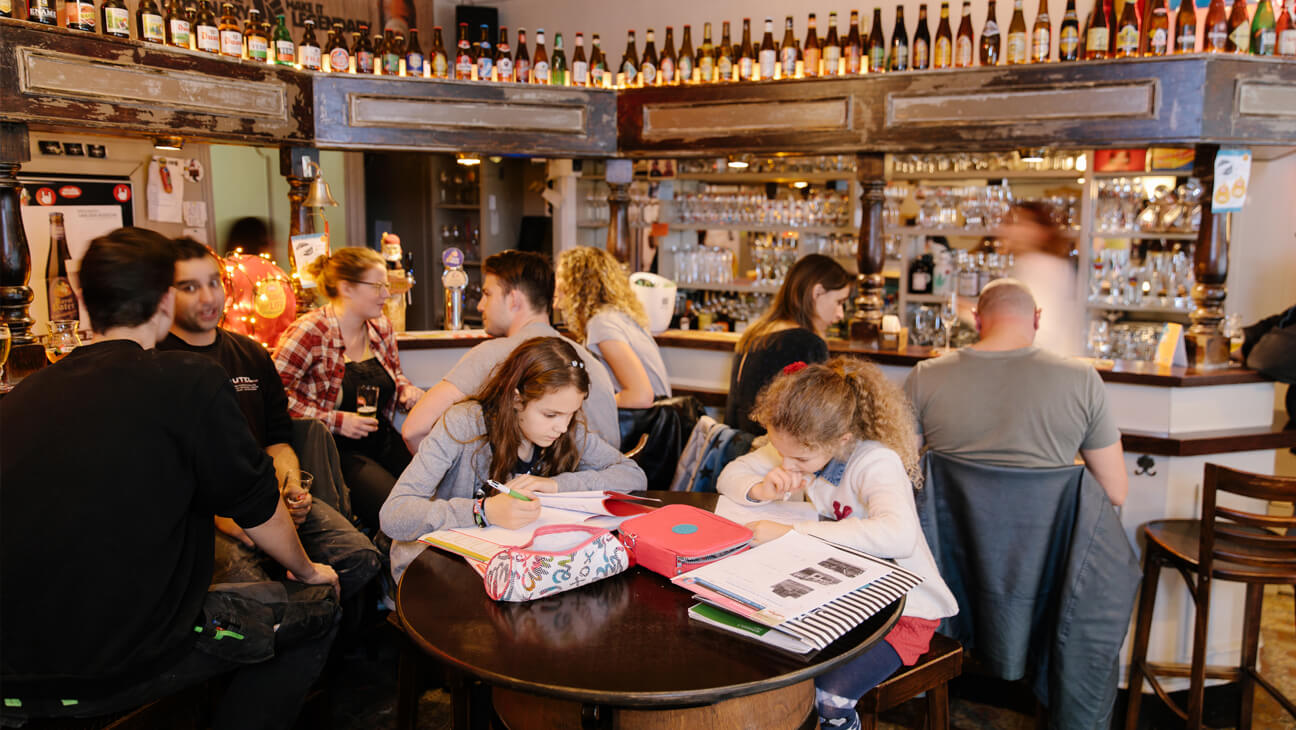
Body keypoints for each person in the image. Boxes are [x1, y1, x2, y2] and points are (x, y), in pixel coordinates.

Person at [1, 228, 339, 730]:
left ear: (86, 303)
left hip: (12, 674)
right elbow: (258, 507)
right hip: (121, 665)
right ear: (163, 301)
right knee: (318, 608)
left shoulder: (23, 395)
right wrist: (310, 571)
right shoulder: (188, 379)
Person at [716, 357, 958, 730]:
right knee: (773, 663)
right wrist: (760, 488)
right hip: (845, 598)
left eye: (800, 458)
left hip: (904, 611)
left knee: (827, 697)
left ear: (841, 440)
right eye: (781, 452)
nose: (788, 462)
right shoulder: (798, 444)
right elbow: (730, 475)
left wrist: (791, 533)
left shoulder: (875, 461)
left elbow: (898, 535)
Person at [157, 237, 381, 603]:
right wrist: (221, 516)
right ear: (164, 294)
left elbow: (276, 440)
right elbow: (169, 469)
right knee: (253, 595)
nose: (208, 297)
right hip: (203, 515)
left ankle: (315, 639)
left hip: (267, 500)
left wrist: (292, 487)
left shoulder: (250, 355)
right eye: (190, 287)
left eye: (214, 283)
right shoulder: (156, 362)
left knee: (360, 558)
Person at [381, 337, 647, 583]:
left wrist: (557, 485)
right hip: (441, 572)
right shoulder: (463, 424)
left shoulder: (566, 429)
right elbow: (394, 514)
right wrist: (483, 512)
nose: (562, 428)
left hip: (509, 568)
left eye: (571, 414)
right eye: (550, 415)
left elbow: (633, 475)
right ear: (517, 399)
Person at [903, 278, 1128, 506]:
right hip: (1047, 538)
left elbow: (899, 470)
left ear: (977, 320)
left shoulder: (925, 376)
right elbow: (1114, 492)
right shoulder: (1083, 379)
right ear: (1037, 318)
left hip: (945, 539)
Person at [401, 250, 620, 451]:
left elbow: (414, 430)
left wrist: (453, 485)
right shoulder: (588, 360)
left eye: (487, 294)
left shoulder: (496, 354)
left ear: (514, 299)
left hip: (535, 490)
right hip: (598, 487)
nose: (480, 306)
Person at [273, 247, 425, 533]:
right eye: (377, 286)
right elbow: (275, 398)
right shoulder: (310, 331)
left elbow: (395, 375)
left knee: (428, 497)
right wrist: (337, 421)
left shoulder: (381, 328)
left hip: (381, 440)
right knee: (396, 511)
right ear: (347, 288)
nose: (386, 294)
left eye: (386, 286)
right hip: (336, 452)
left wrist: (407, 390)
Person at [725, 253, 852, 435]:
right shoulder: (808, 343)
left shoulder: (754, 334)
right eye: (839, 302)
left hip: (738, 450)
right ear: (816, 293)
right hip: (775, 455)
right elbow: (817, 426)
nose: (841, 314)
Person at [555, 246, 671, 409]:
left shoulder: (602, 322)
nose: (555, 287)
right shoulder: (619, 316)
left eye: (560, 279)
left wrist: (584, 407)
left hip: (644, 428)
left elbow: (641, 396)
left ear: (576, 286)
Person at [998, 201, 1084, 357]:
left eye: (1020, 224)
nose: (1009, 231)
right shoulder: (1028, 265)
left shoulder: (1043, 267)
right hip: (1043, 365)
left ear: (1041, 232)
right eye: (1008, 223)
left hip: (1046, 367)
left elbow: (1041, 332)